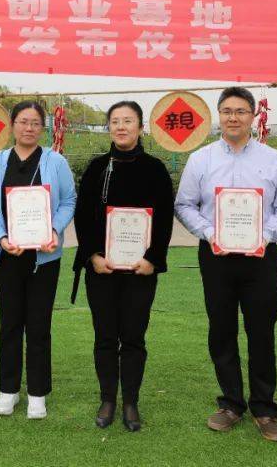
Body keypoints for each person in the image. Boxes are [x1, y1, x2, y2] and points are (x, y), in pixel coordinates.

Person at [174, 86, 277, 442]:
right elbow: (184, 205)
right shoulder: (201, 159)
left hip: (261, 258)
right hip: (216, 257)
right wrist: (210, 232)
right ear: (219, 115)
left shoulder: (273, 159)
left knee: (262, 332)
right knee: (221, 330)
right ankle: (231, 403)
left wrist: (266, 235)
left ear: (253, 116)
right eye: (227, 111)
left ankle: (264, 408)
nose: (233, 117)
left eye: (241, 111)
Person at [72, 101, 175, 432]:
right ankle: (108, 399)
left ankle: (131, 401)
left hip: (140, 270)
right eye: (115, 121)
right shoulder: (97, 168)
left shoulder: (155, 169)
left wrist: (153, 259)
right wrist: (92, 255)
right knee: (105, 336)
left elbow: (164, 219)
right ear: (109, 128)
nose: (121, 127)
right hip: (102, 268)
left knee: (133, 337)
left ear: (140, 127)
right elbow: (83, 216)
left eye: (128, 121)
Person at [0, 100, 77, 420]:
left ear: (42, 127)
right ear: (12, 125)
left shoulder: (55, 161)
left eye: (35, 123)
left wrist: (54, 230)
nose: (29, 128)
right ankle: (8, 390)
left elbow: (69, 200)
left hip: (44, 257)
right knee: (9, 323)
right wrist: (1, 238)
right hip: (7, 255)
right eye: (23, 121)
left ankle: (37, 393)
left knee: (39, 325)